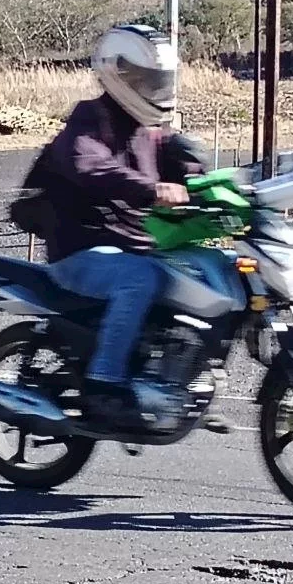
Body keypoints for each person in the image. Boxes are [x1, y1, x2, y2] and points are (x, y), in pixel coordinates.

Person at [33, 25, 204, 428]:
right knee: (139, 280)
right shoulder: (89, 120)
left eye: (159, 80)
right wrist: (152, 189)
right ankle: (104, 382)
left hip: (131, 244)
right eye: (147, 79)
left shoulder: (150, 129)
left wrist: (210, 182)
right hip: (80, 251)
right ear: (119, 74)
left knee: (197, 270)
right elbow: (88, 164)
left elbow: (183, 165)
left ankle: (175, 379)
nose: (155, 87)